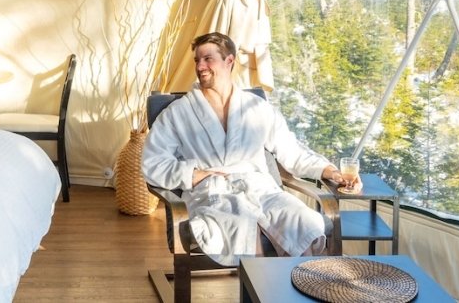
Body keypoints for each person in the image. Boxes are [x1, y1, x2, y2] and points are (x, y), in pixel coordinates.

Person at [142, 32, 360, 265]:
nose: (200, 66)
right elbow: (152, 162)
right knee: (242, 224)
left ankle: (304, 287)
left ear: (229, 61)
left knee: (302, 220)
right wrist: (193, 175)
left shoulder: (256, 108)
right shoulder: (178, 113)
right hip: (213, 194)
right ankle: (258, 290)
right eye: (197, 60)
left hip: (262, 190)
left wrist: (331, 172)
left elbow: (291, 150)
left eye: (208, 59)